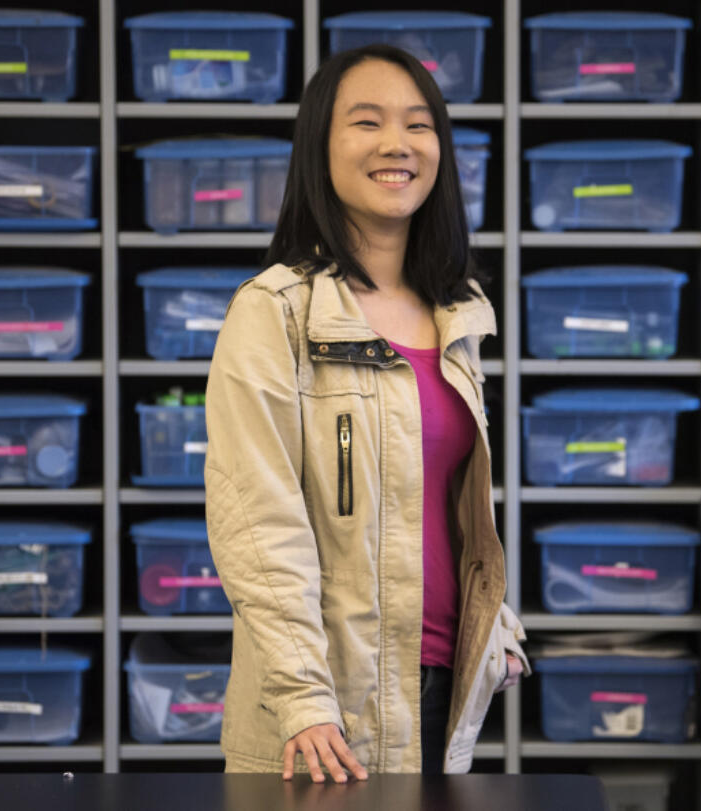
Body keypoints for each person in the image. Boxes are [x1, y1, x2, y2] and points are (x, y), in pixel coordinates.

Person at [204, 43, 529, 781]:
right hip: (325, 710)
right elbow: (256, 521)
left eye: (419, 124)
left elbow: (443, 505)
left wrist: (495, 627)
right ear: (321, 147)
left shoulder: (457, 312)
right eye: (367, 122)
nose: (397, 144)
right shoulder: (275, 312)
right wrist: (303, 697)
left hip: (443, 690)